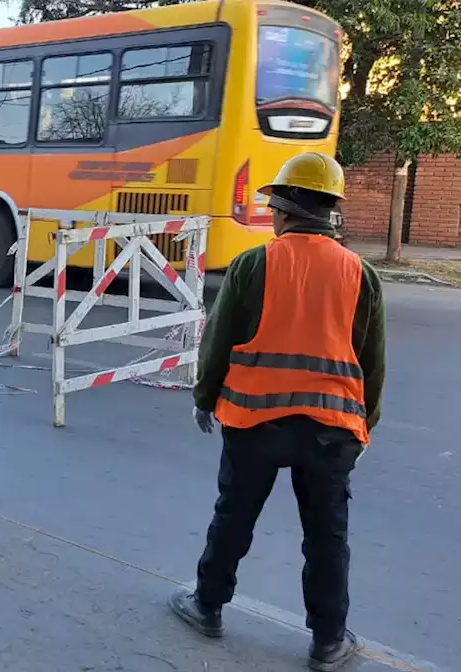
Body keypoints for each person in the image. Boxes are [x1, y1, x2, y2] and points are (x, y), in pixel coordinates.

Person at [170, 152, 386, 672]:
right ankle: (328, 642)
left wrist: (204, 398)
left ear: (286, 210)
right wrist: (364, 428)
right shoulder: (362, 274)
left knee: (234, 517)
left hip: (254, 423)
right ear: (331, 211)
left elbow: (219, 343)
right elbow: (371, 364)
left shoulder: (254, 265)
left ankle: (208, 607)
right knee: (327, 536)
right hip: (331, 433)